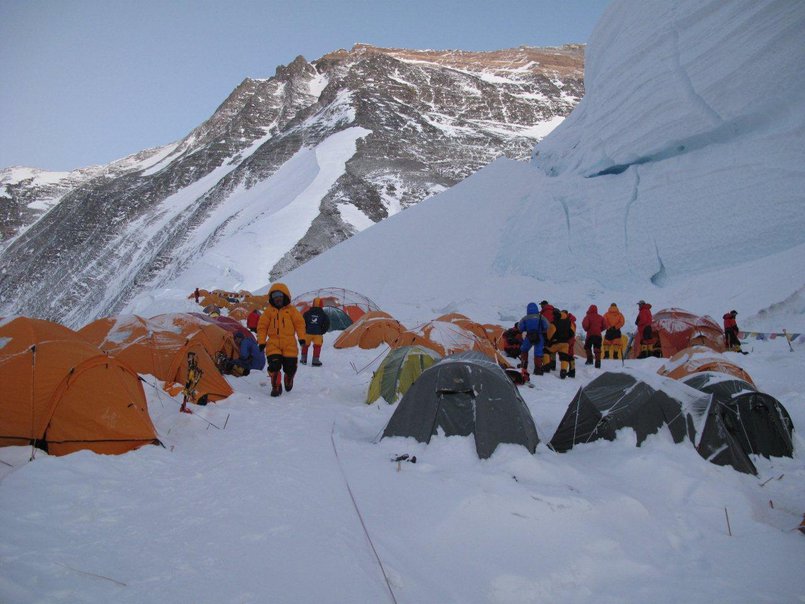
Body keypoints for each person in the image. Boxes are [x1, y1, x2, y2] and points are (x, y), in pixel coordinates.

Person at [257, 283, 307, 397]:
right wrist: (261, 341)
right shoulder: (269, 312)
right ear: (271, 298)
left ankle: (289, 378)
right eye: (274, 296)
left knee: (290, 367)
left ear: (285, 295)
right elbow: (262, 327)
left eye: (279, 295)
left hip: (289, 343)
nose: (277, 298)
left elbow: (300, 324)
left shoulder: (292, 311)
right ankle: (276, 386)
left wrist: (302, 338)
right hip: (273, 343)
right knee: (274, 366)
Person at [517, 302, 549, 379]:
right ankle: (538, 369)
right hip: (539, 335)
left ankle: (523, 365)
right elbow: (546, 325)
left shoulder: (525, 318)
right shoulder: (541, 317)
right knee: (538, 352)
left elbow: (520, 327)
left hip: (529, 336)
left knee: (524, 349)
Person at [301, 298, 330, 366]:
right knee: (317, 346)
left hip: (308, 333)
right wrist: (322, 331)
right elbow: (327, 324)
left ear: (313, 304)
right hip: (318, 334)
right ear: (321, 305)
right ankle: (315, 361)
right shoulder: (323, 315)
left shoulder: (307, 313)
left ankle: (303, 359)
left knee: (305, 345)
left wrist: (305, 330)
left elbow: (302, 323)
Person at [547, 309, 575, 379]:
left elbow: (551, 333)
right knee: (566, 356)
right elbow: (572, 332)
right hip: (568, 342)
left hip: (565, 341)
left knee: (550, 351)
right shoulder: (570, 322)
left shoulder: (562, 321)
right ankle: (567, 371)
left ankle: (550, 366)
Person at [539, 300, 557, 371]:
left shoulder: (542, 313)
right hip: (554, 332)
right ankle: (553, 364)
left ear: (543, 305)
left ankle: (546, 365)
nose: (540, 306)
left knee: (545, 348)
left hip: (545, 332)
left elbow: (540, 323)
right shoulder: (554, 311)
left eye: (541, 305)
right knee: (552, 347)